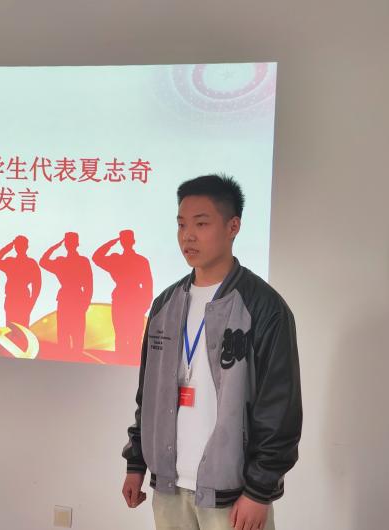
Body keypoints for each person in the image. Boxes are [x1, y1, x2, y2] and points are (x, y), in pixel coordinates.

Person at [121, 174, 302, 530]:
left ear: (233, 226)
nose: (188, 235)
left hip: (234, 495)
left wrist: (259, 491)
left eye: (201, 224)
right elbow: (149, 393)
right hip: (169, 487)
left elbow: (279, 407)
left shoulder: (264, 307)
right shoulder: (166, 304)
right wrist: (136, 462)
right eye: (181, 224)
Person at [92, 230, 153, 361]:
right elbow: (96, 258)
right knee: (123, 336)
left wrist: (111, 243)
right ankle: (124, 365)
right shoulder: (122, 260)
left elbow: (148, 285)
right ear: (133, 241)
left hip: (132, 301)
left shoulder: (136, 260)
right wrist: (145, 305)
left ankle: (128, 366)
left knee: (130, 337)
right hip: (124, 300)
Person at [39, 232, 93, 355]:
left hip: (75, 300)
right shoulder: (64, 261)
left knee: (76, 336)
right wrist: (85, 303)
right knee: (65, 335)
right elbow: (42, 262)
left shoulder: (78, 261)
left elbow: (89, 285)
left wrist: (85, 304)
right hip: (69, 300)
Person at [0, 235, 42, 328]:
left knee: (22, 329)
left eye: (21, 245)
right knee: (11, 328)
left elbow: (37, 285)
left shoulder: (31, 263)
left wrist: (31, 303)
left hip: (23, 300)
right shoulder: (11, 261)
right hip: (12, 299)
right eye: (18, 245)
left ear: (26, 247)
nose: (20, 247)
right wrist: (8, 247)